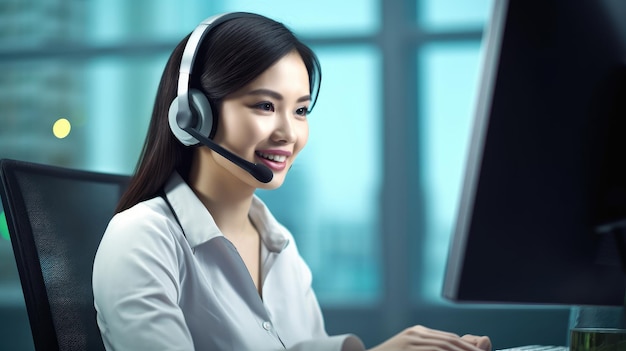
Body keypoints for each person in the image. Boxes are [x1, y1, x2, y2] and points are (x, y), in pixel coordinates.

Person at [92, 12, 492, 351]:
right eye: (265, 105)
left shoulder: (279, 245)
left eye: (300, 110)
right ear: (192, 115)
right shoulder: (142, 238)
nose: (288, 132)